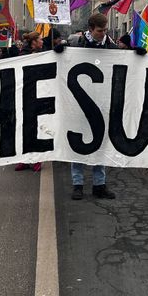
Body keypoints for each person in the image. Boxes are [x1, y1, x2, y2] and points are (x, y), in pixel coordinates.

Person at [55, 13, 120, 200]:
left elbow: (124, 62)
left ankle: (99, 184)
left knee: (101, 144)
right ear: (91, 29)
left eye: (106, 30)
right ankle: (78, 184)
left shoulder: (111, 47)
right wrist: (58, 52)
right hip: (78, 104)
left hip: (102, 103)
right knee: (78, 145)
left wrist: (136, 54)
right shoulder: (76, 45)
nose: (103, 34)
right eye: (100, 31)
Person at [14, 30, 46, 172]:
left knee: (38, 128)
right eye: (40, 39)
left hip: (40, 94)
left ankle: (37, 159)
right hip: (25, 95)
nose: (43, 41)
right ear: (34, 42)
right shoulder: (23, 55)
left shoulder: (45, 53)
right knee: (23, 128)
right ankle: (24, 159)